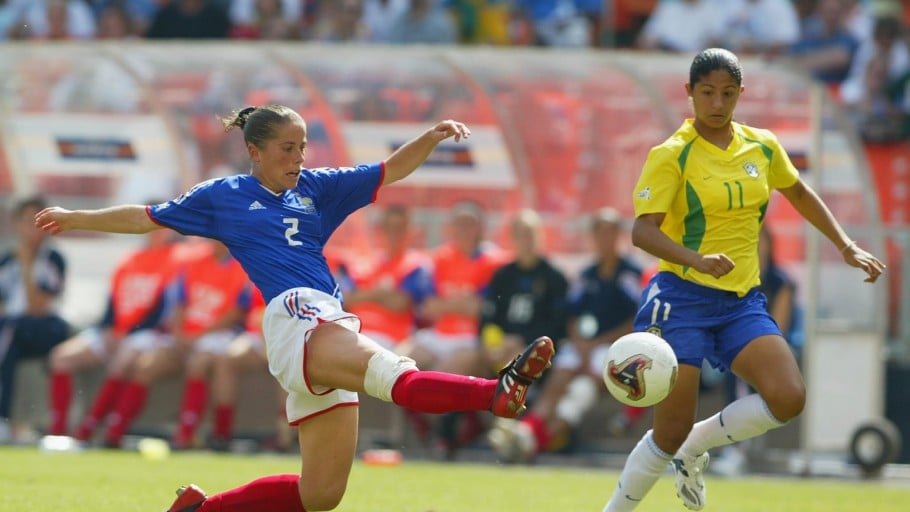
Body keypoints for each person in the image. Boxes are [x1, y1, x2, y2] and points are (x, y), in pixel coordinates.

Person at [35, 105, 555, 512]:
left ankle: (200, 510)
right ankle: (497, 393)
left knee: (320, 494)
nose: (298, 157)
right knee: (395, 376)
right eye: (287, 148)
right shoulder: (224, 195)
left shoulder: (317, 187)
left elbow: (390, 169)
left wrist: (432, 136)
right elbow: (147, 218)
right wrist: (78, 217)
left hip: (324, 316)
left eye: (303, 146)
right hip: (294, 315)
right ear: (255, 150)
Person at [602, 48, 885, 512]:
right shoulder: (672, 154)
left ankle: (695, 447)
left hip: (740, 301)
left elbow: (796, 189)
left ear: (740, 95)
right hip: (681, 297)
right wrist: (696, 258)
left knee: (788, 397)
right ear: (689, 93)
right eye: (707, 92)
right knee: (667, 431)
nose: (717, 103)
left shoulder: (763, 145)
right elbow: (641, 231)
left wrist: (846, 245)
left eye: (728, 93)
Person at [488, 207, 642, 463]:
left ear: (618, 235)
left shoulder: (629, 272)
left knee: (581, 391)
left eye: (610, 232)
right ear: (593, 236)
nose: (605, 238)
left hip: (614, 348)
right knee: (557, 381)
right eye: (600, 232)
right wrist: (581, 343)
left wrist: (595, 345)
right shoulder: (588, 274)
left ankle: (531, 442)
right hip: (583, 344)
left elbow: (635, 320)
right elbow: (570, 314)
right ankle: (527, 432)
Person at [46, 223, 180, 438]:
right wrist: (108, 329)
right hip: (115, 331)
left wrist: (126, 334)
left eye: (161, 227)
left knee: (123, 360)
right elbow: (113, 299)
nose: (155, 232)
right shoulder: (130, 259)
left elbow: (163, 308)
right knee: (60, 358)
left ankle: (93, 429)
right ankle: (58, 431)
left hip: (147, 333)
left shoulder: (176, 259)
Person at [0, 195, 70, 443]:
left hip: (46, 327)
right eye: (27, 221)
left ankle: (2, 418)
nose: (32, 228)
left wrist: (28, 263)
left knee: (8, 331)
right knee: (7, 333)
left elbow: (37, 307)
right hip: (13, 328)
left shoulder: (52, 259)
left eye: (37, 221)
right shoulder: (7, 260)